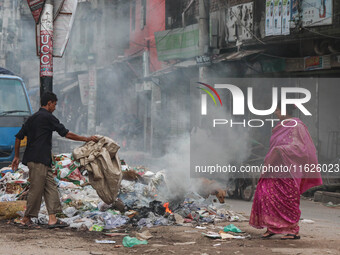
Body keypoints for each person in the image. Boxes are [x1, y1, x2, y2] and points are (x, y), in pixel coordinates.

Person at [11, 92, 98, 228]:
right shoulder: (48, 117)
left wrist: (16, 156)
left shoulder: (32, 118)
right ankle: (26, 219)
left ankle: (52, 218)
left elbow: (18, 137)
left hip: (41, 160)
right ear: (49, 103)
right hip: (39, 160)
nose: (55, 107)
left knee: (51, 187)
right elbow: (66, 133)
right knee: (36, 189)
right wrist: (86, 139)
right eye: (55, 104)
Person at [249, 102, 322, 240]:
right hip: (275, 169)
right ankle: (272, 227)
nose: (275, 112)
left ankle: (292, 230)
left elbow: (301, 148)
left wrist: (281, 150)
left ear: (285, 111)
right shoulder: (279, 127)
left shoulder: (297, 126)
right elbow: (274, 147)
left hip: (290, 170)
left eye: (277, 110)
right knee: (267, 195)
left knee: (288, 199)